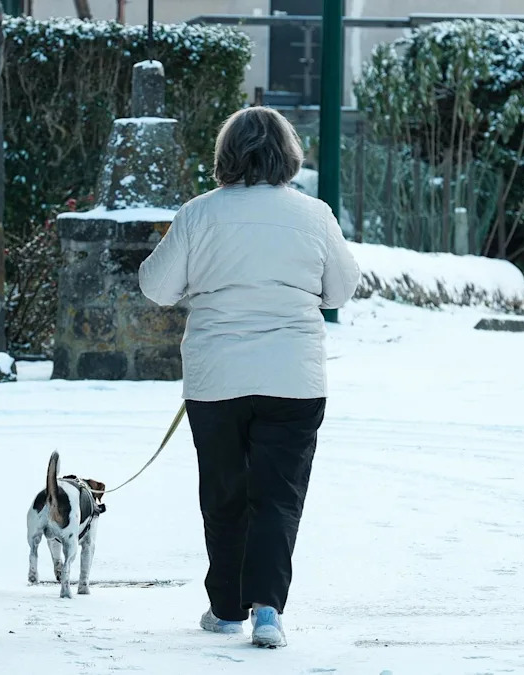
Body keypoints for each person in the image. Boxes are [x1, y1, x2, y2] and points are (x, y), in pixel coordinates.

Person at [138, 106, 361, 648]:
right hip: (294, 378)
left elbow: (157, 287)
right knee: (278, 497)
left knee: (224, 494)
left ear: (227, 155)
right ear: (288, 155)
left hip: (217, 378)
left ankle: (225, 609)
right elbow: (341, 289)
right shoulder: (314, 216)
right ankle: (267, 610)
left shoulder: (198, 214)